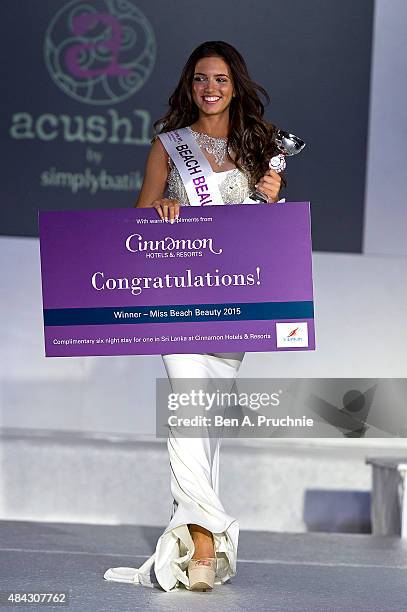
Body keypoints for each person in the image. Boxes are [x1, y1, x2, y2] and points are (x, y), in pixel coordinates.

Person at [104, 40, 283, 592]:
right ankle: (208, 539)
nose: (210, 88)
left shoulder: (260, 149)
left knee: (206, 424)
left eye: (221, 80)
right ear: (190, 86)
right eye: (201, 79)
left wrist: (273, 199)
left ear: (236, 86)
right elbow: (135, 223)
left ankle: (197, 544)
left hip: (233, 305)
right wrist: (161, 212)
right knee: (187, 407)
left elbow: (266, 240)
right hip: (179, 301)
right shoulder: (168, 147)